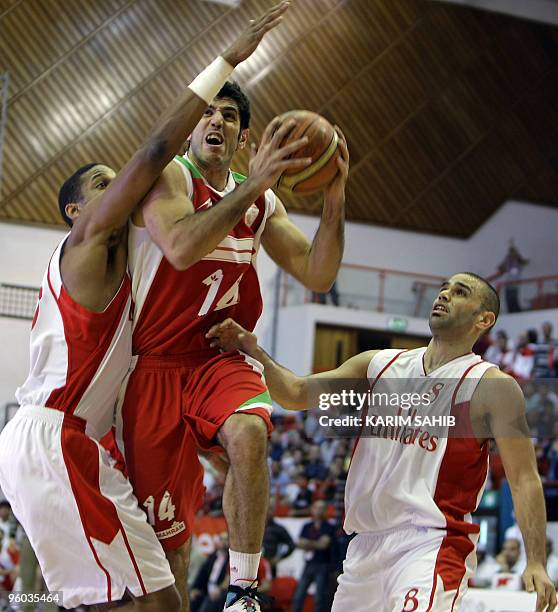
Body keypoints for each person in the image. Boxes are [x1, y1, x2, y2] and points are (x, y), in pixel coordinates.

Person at [0, 7, 286, 609]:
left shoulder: (121, 271)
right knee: (144, 604)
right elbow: (157, 150)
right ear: (77, 213)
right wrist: (227, 61)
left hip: (74, 440)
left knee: (152, 601)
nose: (125, 191)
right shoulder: (87, 245)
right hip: (57, 440)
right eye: (105, 185)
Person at [116, 7, 349, 608]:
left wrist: (334, 197)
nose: (215, 120)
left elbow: (318, 274)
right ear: (192, 130)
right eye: (207, 113)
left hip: (222, 355)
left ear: (245, 137)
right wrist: (255, 183)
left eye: (229, 115)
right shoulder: (169, 177)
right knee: (164, 541)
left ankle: (243, 589)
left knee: (250, 432)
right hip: (157, 365)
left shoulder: (261, 201)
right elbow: (184, 247)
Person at [207, 272, 557, 611]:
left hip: (431, 543)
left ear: (485, 319)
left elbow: (524, 478)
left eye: (460, 291)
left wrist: (537, 561)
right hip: (364, 547)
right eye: (444, 287)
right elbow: (297, 394)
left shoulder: (493, 386)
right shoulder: (379, 365)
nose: (444, 294)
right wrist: (254, 351)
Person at [291, 500, 335, 612]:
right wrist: (316, 543)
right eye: (316, 507)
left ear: (325, 510)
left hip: (322, 564)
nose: (319, 510)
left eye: (321, 508)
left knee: (319, 597)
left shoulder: (329, 526)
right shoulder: (307, 525)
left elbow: (324, 545)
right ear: (312, 509)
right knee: (299, 595)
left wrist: (308, 543)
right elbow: (299, 543)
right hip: (309, 564)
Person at [493, 239, 529, 313]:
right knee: (509, 298)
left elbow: (522, 260)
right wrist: (511, 246)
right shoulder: (509, 262)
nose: (512, 255)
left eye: (513, 254)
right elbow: (500, 266)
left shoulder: (517, 263)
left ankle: (516, 310)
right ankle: (512, 310)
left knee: (513, 297)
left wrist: (512, 246)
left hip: (515, 283)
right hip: (509, 283)